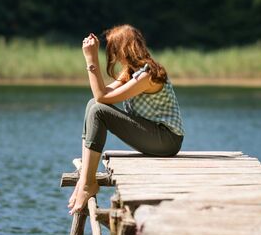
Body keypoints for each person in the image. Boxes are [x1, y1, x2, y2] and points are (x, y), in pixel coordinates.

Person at [68, 24, 185, 215]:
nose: (113, 57)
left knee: (98, 110)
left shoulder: (148, 74)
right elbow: (102, 94)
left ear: (123, 49)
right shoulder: (131, 72)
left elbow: (102, 98)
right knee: (92, 105)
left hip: (167, 140)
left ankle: (88, 183)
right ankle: (85, 181)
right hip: (155, 137)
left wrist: (91, 58)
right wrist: (91, 58)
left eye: (114, 50)